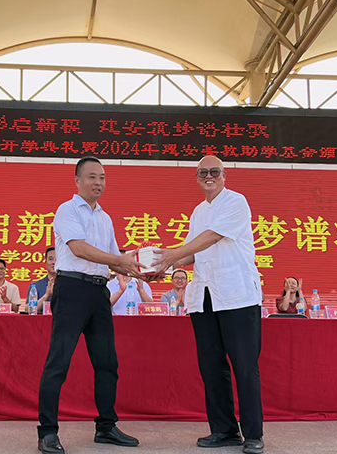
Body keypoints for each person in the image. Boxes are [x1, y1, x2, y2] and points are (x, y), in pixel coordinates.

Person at [152, 156, 264, 454]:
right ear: (197, 177)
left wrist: (172, 253)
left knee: (244, 367)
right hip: (204, 298)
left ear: (224, 175)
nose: (209, 176)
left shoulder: (236, 202)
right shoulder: (198, 211)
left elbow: (212, 237)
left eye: (215, 172)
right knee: (212, 367)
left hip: (237, 296)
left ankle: (253, 434)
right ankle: (224, 430)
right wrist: (164, 265)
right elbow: (192, 253)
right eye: (203, 173)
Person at [37, 157, 143, 454]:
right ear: (77, 180)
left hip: (99, 292)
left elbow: (115, 260)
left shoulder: (105, 217)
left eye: (103, 177)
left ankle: (106, 427)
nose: (98, 183)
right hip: (72, 289)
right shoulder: (67, 210)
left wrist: (142, 271)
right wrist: (120, 260)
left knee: (107, 362)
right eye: (92, 177)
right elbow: (79, 248)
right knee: (59, 361)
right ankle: (47, 432)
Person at [29, 247, 56, 313]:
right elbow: (29, 309)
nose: (54, 262)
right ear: (45, 262)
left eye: (57, 259)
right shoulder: (35, 286)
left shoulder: (69, 285)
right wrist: (46, 295)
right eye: (50, 259)